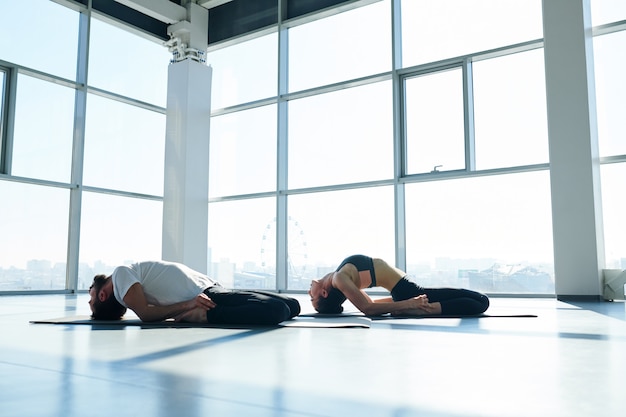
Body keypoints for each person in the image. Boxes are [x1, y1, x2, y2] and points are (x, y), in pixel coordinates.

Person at [88, 260, 300, 325]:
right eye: (91, 300)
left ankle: (204, 312)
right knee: (277, 310)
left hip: (212, 288)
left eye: (89, 298)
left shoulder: (122, 276)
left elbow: (145, 309)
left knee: (292, 304)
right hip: (205, 296)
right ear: (102, 297)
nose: (90, 297)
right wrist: (189, 305)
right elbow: (145, 314)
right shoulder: (120, 276)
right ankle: (205, 316)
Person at [308, 254, 489, 316]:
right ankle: (427, 310)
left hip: (404, 291)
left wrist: (396, 305)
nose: (309, 291)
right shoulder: (339, 279)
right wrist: (411, 303)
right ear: (324, 293)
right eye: (311, 297)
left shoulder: (341, 281)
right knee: (481, 301)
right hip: (408, 292)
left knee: (480, 300)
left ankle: (422, 309)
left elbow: (372, 304)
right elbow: (368, 309)